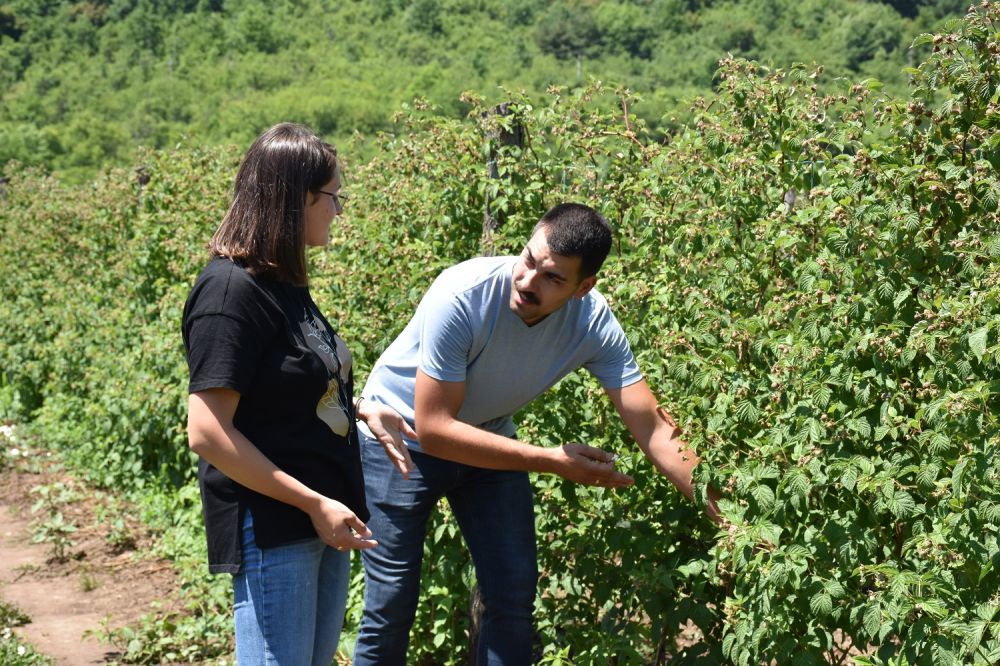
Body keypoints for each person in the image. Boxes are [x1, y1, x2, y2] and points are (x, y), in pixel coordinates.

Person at [352, 202, 720, 665]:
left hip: (488, 437)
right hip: (398, 439)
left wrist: (726, 512)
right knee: (391, 606)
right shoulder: (463, 294)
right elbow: (436, 430)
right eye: (528, 260)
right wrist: (551, 460)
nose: (528, 282)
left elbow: (653, 427)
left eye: (553, 278)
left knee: (511, 602)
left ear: (584, 287)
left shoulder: (592, 323)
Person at [182, 123, 414, 666]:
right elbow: (208, 432)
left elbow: (286, 386)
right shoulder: (229, 293)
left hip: (322, 514)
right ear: (297, 199)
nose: (339, 210)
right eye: (333, 197)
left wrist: (360, 408)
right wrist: (312, 503)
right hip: (277, 521)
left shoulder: (283, 286)